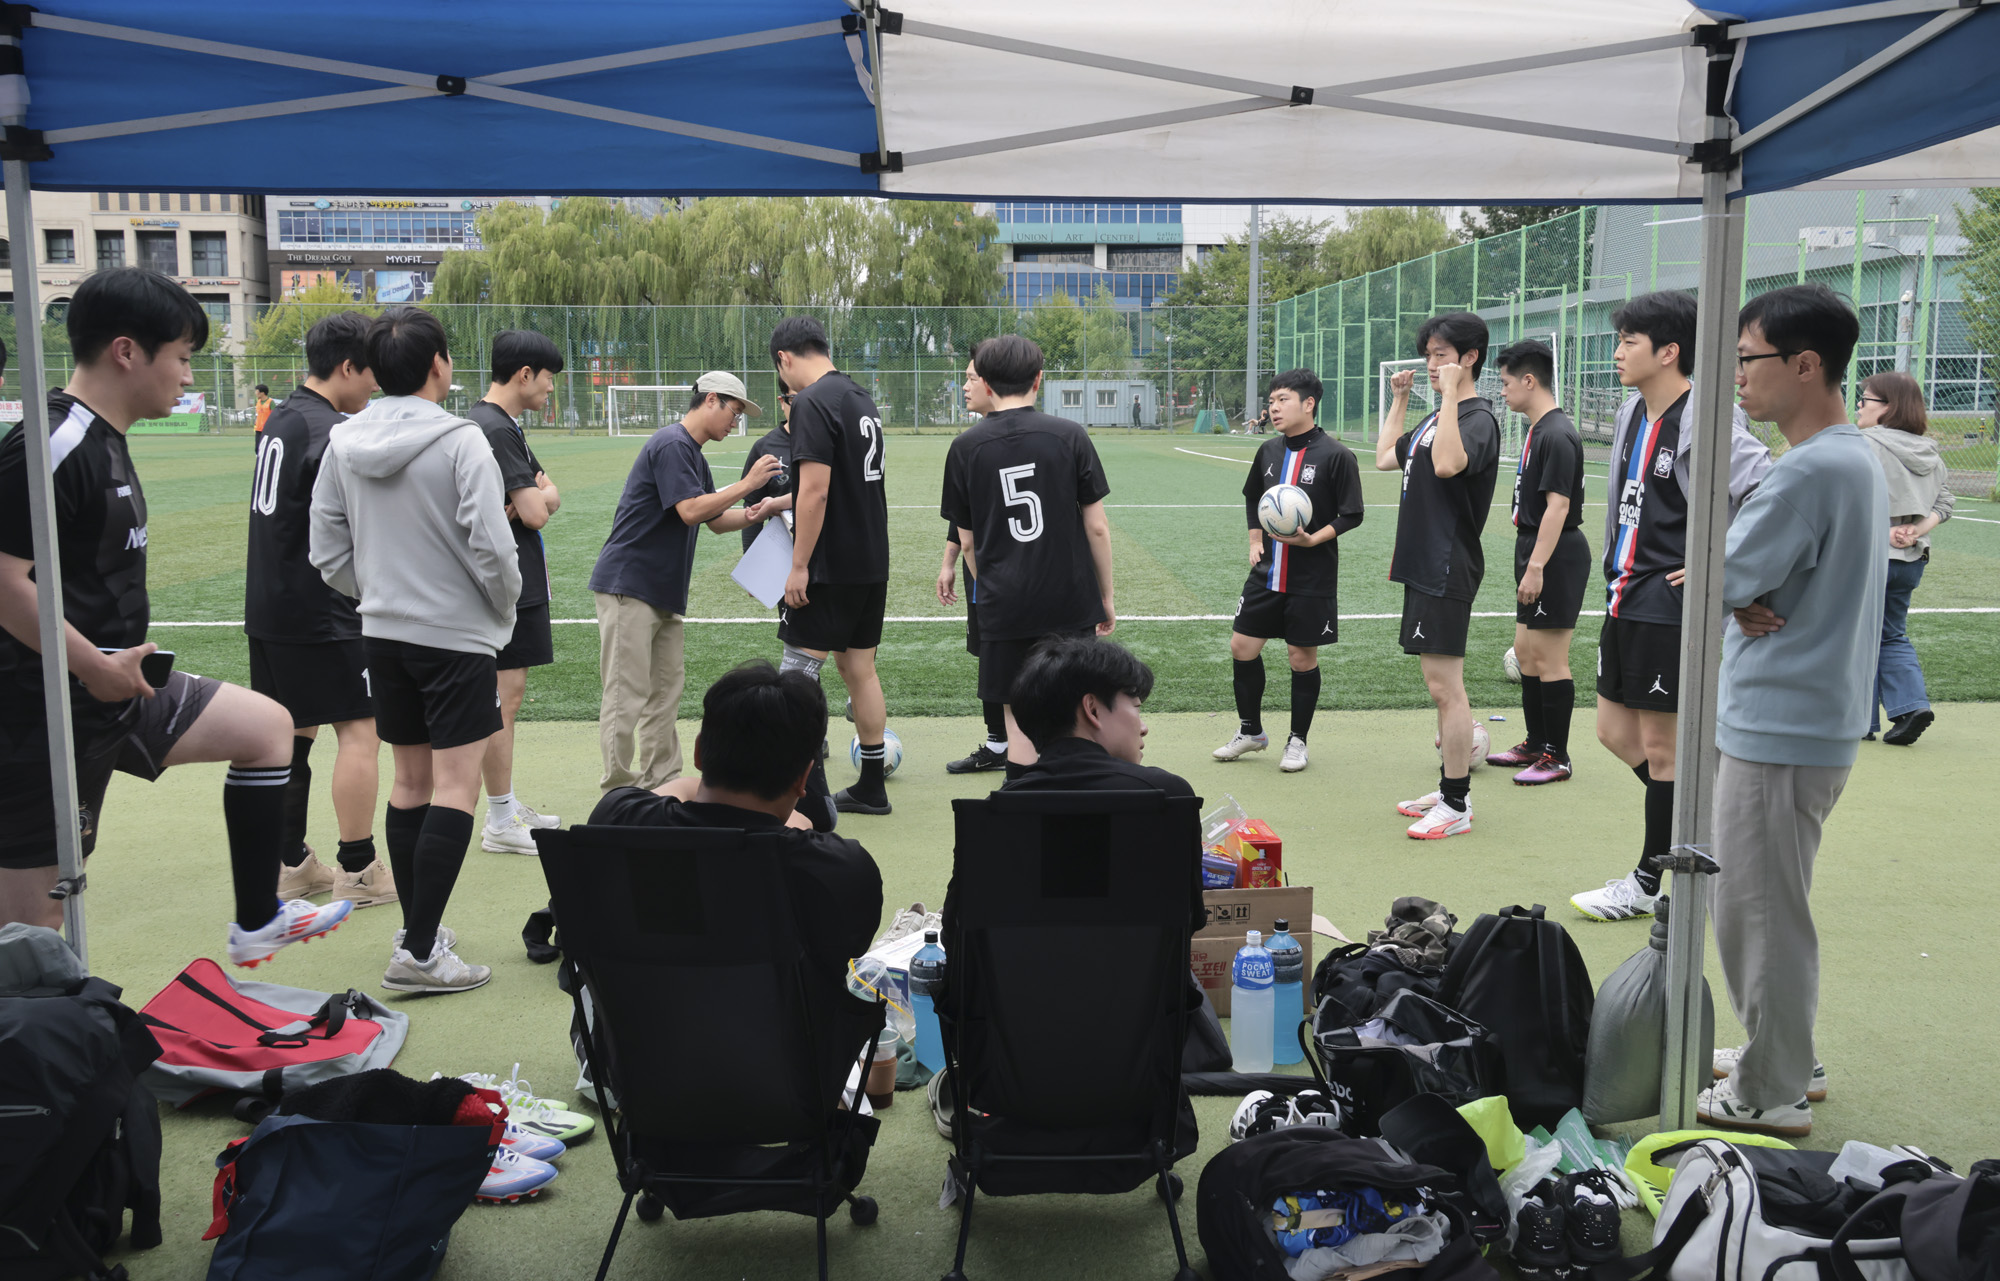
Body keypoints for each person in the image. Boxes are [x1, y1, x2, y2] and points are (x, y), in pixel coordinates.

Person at [0, 268, 351, 965]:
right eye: (184, 356)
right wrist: (93, 664)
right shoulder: (51, 443)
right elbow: (3, 578)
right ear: (128, 352)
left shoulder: (105, 438)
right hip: (38, 718)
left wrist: (111, 666)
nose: (188, 375)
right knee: (34, 936)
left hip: (117, 691)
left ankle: (257, 921)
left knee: (267, 725)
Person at [1699, 284, 1885, 1138]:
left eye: (1749, 358)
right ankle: (1783, 1053)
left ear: (1805, 366)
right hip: (1805, 717)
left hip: (1783, 722)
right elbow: (1741, 581)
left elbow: (1720, 577)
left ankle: (1769, 1088)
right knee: (1767, 903)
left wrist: (1722, 589)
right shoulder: (1847, 456)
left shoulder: (1812, 467)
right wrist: (1733, 589)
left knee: (1760, 912)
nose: (1738, 374)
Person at [310, 306, 519, 994]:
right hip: (454, 636)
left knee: (410, 782)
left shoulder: (343, 440)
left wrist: (374, 590)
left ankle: (416, 931)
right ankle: (421, 950)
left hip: (383, 632)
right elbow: (493, 546)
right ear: (439, 365)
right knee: (455, 785)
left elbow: (326, 550)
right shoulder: (462, 441)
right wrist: (498, 608)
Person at [1569, 291, 1771, 923]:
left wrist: (1731, 573)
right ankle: (1699, 832)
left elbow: (1770, 488)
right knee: (1612, 732)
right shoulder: (1633, 410)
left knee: (1664, 749)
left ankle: (1652, 879)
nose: (1619, 351)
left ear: (1669, 351)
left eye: (1630, 340)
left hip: (1670, 601)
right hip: (1622, 594)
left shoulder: (1707, 420)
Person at [588, 661, 882, 982]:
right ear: (804, 779)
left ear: (699, 752)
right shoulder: (844, 869)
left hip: (631, 1028)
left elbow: (682, 788)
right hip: (773, 1029)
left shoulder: (616, 817)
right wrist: (802, 826)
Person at [245, 310, 396, 908]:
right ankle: (357, 868)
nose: (376, 386)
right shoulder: (335, 430)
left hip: (269, 604)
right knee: (360, 731)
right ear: (347, 367)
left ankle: (290, 862)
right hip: (321, 609)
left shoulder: (279, 417)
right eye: (371, 374)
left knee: (291, 732)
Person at [588, 372, 779, 795]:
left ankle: (661, 785)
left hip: (661, 592)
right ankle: (618, 792)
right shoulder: (674, 443)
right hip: (630, 587)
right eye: (734, 411)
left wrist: (761, 508)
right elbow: (692, 510)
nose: (736, 423)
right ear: (711, 400)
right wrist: (748, 484)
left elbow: (715, 522)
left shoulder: (692, 453)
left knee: (663, 695)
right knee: (627, 695)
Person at [941, 335, 1115, 775]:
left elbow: (967, 542)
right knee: (1076, 711)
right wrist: (1105, 595)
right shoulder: (1070, 435)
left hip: (1005, 602)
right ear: (1039, 379)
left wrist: (994, 586)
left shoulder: (965, 448)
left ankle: (1024, 809)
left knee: (1018, 714)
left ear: (987, 380)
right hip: (1070, 598)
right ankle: (1081, 802)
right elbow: (1096, 526)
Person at [1375, 312, 1501, 839]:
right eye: (1427, 355)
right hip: (1422, 563)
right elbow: (1385, 457)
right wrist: (1402, 400)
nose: (1430, 364)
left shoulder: (1476, 418)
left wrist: (1449, 396)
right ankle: (1449, 786)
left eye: (1441, 355)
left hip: (1448, 563)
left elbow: (1449, 465)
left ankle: (1457, 804)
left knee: (1446, 687)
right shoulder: (1434, 417)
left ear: (1469, 357)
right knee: (1438, 686)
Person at [771, 317, 894, 815]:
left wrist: (799, 565)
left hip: (830, 564)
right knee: (858, 669)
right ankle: (871, 784)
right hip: (870, 558)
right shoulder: (860, 396)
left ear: (785, 359)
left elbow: (815, 490)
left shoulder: (813, 401)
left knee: (796, 676)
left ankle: (811, 799)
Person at [1213, 368, 1364, 775]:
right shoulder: (1268, 451)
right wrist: (1253, 540)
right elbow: (1252, 498)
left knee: (1301, 657)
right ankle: (1250, 731)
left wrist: (1315, 539)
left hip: (1311, 576)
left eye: (1282, 400)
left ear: (1308, 403)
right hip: (1266, 574)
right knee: (1241, 647)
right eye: (1272, 401)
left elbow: (1353, 514)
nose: (1273, 408)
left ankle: (1298, 740)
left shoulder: (1336, 455)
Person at [465, 330, 566, 854]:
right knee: (502, 698)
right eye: (549, 377)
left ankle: (503, 805)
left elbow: (550, 493)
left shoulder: (503, 425)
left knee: (506, 696)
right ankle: (500, 820)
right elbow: (534, 510)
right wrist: (537, 498)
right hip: (505, 583)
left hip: (515, 579)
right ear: (524, 374)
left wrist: (539, 495)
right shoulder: (493, 428)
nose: (551, 388)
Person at [1486, 340, 1589, 785]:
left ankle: (1557, 755)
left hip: (1555, 553)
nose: (1503, 391)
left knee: (1550, 658)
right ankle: (1534, 742)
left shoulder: (1557, 433)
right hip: (1534, 547)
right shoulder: (1539, 429)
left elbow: (1559, 507)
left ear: (1529, 381)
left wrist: (1536, 566)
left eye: (1507, 382)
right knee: (1527, 654)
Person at [1856, 371, 1952, 746]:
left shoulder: (1863, 444)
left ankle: (1858, 720)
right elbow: (1944, 503)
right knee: (1892, 635)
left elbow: (1851, 502)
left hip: (1869, 555)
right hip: (1910, 559)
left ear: (1888, 408)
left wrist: (1886, 531)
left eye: (1866, 399)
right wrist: (1913, 529)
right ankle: (1910, 707)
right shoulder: (1930, 451)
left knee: (1855, 636)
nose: (1859, 405)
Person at [937, 523, 1009, 774]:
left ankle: (1000, 744)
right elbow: (960, 520)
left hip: (989, 579)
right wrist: (948, 564)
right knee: (1021, 658)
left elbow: (962, 522)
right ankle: (1005, 744)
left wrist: (948, 565)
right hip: (1026, 576)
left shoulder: (970, 480)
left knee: (995, 660)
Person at [739, 386, 794, 552]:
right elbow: (752, 506)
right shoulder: (765, 447)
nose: (801, 408)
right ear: (782, 402)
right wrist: (751, 559)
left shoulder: (832, 442)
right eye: (794, 400)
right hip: (783, 550)